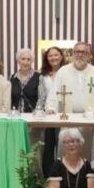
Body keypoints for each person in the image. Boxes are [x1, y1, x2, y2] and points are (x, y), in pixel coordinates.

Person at [46, 42, 94, 115]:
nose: (80, 55)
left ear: (89, 55)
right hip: (67, 119)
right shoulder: (63, 71)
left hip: (90, 119)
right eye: (77, 52)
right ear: (73, 54)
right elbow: (54, 94)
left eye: (83, 52)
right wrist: (51, 108)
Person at [37, 46, 67, 174]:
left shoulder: (68, 72)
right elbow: (41, 96)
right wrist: (39, 111)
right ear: (46, 58)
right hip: (48, 113)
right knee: (48, 144)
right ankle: (49, 174)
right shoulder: (42, 76)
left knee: (63, 141)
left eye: (56, 55)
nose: (53, 58)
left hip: (65, 112)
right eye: (50, 56)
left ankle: (63, 171)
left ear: (61, 56)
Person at [10, 48, 41, 112]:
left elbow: (42, 98)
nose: (25, 62)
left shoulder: (38, 77)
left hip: (33, 117)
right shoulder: (12, 78)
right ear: (18, 61)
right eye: (23, 59)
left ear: (31, 61)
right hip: (15, 116)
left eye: (28, 59)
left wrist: (38, 113)